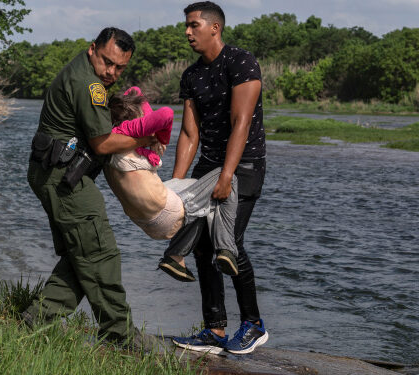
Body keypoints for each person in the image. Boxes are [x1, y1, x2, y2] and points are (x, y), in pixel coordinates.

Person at [21, 27, 158, 346]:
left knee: (82, 252)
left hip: (53, 171)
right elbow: (102, 142)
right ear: (92, 49)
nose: (111, 72)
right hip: (62, 177)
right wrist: (145, 139)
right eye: (107, 62)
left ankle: (37, 319)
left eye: (120, 67)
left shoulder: (82, 71)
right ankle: (120, 336)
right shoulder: (89, 84)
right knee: (100, 252)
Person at [168, 2, 269, 355]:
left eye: (193, 25)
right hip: (207, 168)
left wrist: (227, 176)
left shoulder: (241, 62)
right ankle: (214, 330)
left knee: (230, 241)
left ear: (215, 28)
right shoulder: (192, 75)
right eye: (187, 25)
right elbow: (189, 135)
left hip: (244, 167)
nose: (187, 31)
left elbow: (241, 123)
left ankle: (254, 325)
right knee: (202, 246)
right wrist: (175, 186)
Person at [103, 87, 239, 282]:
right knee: (226, 178)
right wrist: (160, 137)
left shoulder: (110, 143)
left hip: (143, 220)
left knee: (196, 190)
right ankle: (226, 249)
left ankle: (175, 258)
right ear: (137, 123)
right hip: (165, 214)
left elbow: (135, 91)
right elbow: (166, 114)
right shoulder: (131, 135)